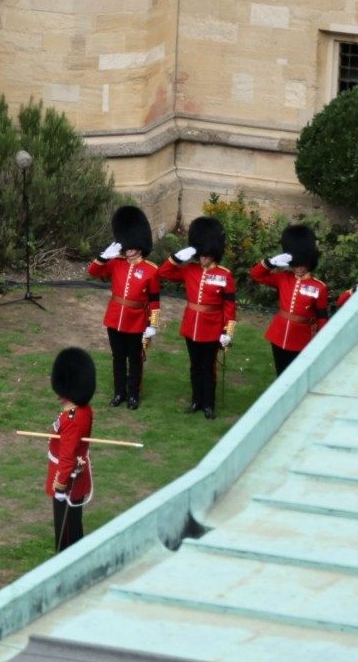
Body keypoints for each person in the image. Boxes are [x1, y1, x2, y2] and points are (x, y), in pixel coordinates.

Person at [160, 216, 238, 419]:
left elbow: (229, 307)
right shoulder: (190, 270)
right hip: (191, 326)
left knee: (208, 368)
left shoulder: (224, 275)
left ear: (213, 254)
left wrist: (227, 332)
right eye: (200, 254)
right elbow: (164, 272)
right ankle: (196, 400)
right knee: (195, 367)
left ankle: (209, 405)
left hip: (212, 328)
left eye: (206, 254)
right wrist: (177, 257)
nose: (203, 258)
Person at [90, 205, 161, 409]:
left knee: (135, 360)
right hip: (115, 318)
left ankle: (133, 395)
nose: (128, 249)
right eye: (126, 246)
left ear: (140, 246)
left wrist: (152, 324)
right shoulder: (116, 263)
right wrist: (104, 256)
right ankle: (119, 393)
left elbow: (154, 300)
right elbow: (94, 271)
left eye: (131, 246)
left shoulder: (150, 270)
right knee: (118, 358)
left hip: (136, 321)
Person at [254, 223, 332, 376]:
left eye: (302, 264)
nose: (299, 267)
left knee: (298, 377)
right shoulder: (283, 278)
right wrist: (270, 263)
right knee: (281, 375)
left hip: (302, 338)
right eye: (296, 264)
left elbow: (322, 317)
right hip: (279, 335)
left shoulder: (319, 287)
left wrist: (322, 341)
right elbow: (257, 275)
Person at [47, 346, 97, 550]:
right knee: (72, 526)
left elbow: (67, 456)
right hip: (72, 475)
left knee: (66, 534)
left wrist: (60, 486)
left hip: (68, 480)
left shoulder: (72, 419)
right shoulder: (80, 410)